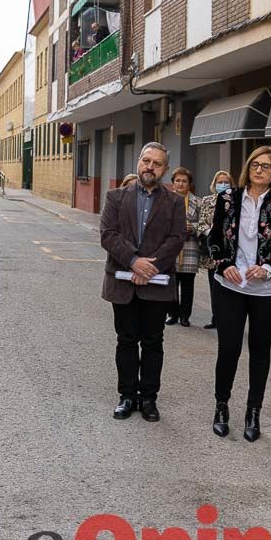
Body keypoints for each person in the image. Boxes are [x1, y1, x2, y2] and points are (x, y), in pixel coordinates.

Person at [206, 146, 271, 441]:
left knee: (260, 350)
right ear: (248, 167)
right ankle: (221, 406)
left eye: (266, 166)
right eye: (255, 165)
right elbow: (215, 238)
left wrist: (270, 268)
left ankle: (253, 411)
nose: (259, 170)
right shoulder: (228, 199)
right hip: (231, 285)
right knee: (229, 347)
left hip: (268, 290)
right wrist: (225, 264)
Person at [100, 142, 185, 423]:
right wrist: (134, 261)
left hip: (157, 284)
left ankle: (148, 398)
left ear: (165, 169)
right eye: (146, 161)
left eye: (157, 163)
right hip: (123, 282)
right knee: (125, 340)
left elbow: (176, 239)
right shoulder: (115, 197)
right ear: (138, 162)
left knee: (152, 342)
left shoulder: (174, 201)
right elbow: (108, 235)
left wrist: (150, 267)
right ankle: (127, 395)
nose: (150, 167)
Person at [195, 170, 234, 330]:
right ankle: (215, 317)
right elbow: (201, 222)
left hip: (230, 251)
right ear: (214, 184)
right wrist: (211, 232)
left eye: (226, 182)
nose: (223, 185)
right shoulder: (207, 200)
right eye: (220, 182)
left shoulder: (235, 201)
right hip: (212, 251)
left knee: (229, 286)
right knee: (214, 286)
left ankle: (229, 318)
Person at [166, 167, 200, 327]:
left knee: (188, 285)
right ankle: (172, 314)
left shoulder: (197, 202)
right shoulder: (165, 201)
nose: (180, 183)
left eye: (184, 181)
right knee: (171, 283)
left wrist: (191, 227)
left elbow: (204, 224)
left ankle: (185, 316)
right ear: (173, 183)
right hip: (170, 249)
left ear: (189, 184)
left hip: (189, 249)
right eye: (177, 180)